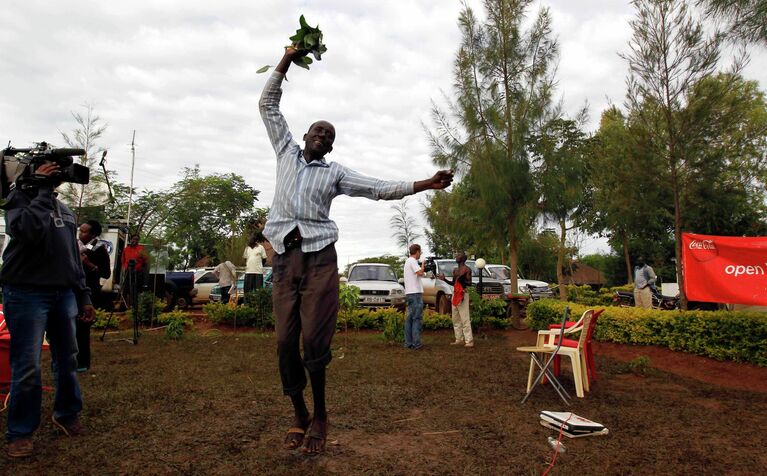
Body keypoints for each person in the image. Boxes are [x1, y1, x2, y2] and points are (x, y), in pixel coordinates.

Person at [260, 45, 454, 456]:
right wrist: (288, 59)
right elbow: (267, 104)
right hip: (283, 257)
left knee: (314, 340)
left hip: (319, 259)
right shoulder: (285, 153)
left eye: (329, 136)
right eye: (318, 130)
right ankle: (299, 412)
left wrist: (425, 183)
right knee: (284, 342)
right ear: (307, 135)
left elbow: (378, 188)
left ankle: (322, 415)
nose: (323, 136)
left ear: (330, 148)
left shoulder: (336, 173)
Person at [0, 162, 94, 458]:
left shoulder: (65, 211)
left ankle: (66, 414)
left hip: (63, 291)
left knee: (67, 359)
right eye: (51, 174)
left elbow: (72, 259)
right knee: (27, 364)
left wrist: (84, 296)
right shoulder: (18, 200)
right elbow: (26, 231)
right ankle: (20, 432)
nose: (58, 178)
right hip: (26, 291)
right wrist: (40, 192)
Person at [76, 219, 111, 371]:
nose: (80, 233)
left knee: (83, 328)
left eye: (84, 231)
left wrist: (89, 265)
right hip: (74, 289)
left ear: (93, 234)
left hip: (89, 292)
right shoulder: (78, 247)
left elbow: (106, 273)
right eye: (80, 230)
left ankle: (82, 362)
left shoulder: (99, 249)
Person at [439, 252, 474, 348]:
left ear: (462, 259)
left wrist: (462, 280)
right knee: (455, 318)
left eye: (458, 256)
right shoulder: (455, 270)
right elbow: (454, 283)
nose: (456, 257)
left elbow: (469, 283)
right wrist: (444, 279)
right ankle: (459, 339)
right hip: (455, 293)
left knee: (464, 318)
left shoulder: (467, 269)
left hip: (462, 294)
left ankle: (469, 340)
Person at [403, 244, 425, 350]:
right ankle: (416, 343)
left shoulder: (408, 261)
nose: (420, 254)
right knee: (416, 318)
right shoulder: (412, 261)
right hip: (415, 293)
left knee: (410, 319)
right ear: (417, 251)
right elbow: (420, 272)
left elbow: (418, 274)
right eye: (420, 252)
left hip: (410, 293)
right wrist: (423, 264)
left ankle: (408, 342)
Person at [120, 233, 149, 308]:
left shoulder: (141, 249)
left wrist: (141, 269)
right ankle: (125, 306)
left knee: (137, 290)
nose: (135, 241)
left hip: (138, 272)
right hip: (128, 272)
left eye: (137, 239)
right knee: (126, 289)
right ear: (131, 240)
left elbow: (146, 261)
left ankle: (136, 306)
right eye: (133, 239)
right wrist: (124, 268)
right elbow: (123, 261)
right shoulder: (126, 249)